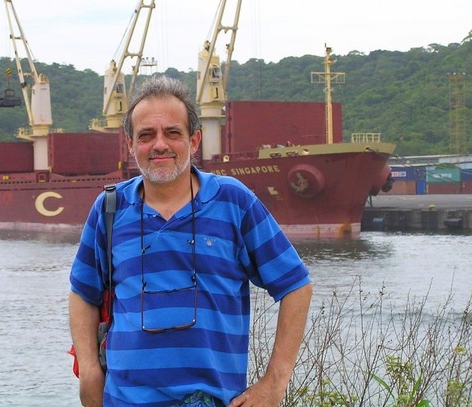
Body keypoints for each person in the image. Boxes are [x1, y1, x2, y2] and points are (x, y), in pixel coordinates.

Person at [69, 75, 312, 407]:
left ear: (194, 140)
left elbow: (296, 285)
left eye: (172, 133)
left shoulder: (233, 202)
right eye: (146, 135)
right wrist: (90, 371)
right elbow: (83, 293)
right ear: (130, 144)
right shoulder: (109, 209)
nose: (159, 145)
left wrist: (274, 382)